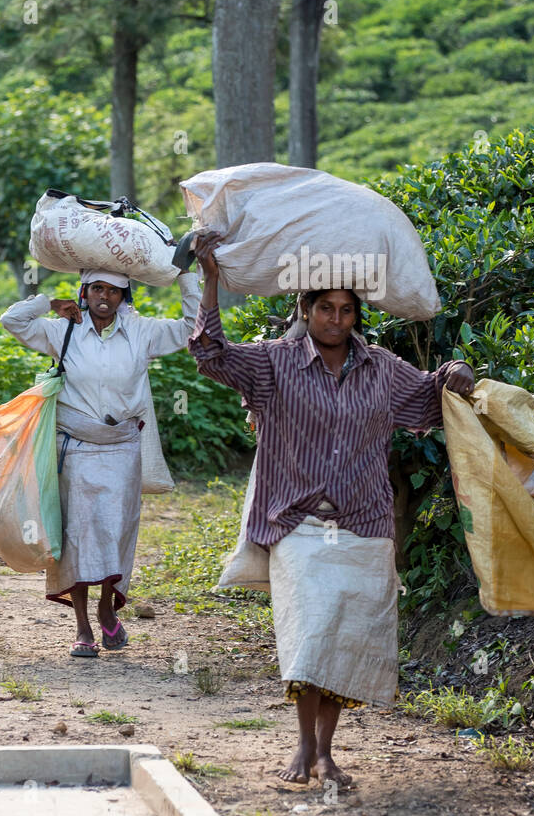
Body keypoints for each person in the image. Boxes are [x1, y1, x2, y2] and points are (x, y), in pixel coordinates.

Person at [188, 229, 475, 786]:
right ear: (307, 309)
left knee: (344, 637)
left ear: (356, 316)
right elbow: (212, 354)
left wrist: (456, 371)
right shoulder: (274, 365)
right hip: (298, 522)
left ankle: (325, 752)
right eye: (326, 309)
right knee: (313, 631)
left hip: (365, 523)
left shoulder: (383, 369)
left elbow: (429, 400)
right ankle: (301, 746)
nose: (336, 320)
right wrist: (211, 279)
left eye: (346, 310)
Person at [0, 266, 202, 658]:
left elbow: (193, 325)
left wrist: (185, 276)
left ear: (125, 296)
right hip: (75, 447)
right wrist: (48, 303)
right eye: (96, 289)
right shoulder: (62, 330)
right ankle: (82, 625)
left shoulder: (142, 332)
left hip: (123, 447)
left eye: (113, 290)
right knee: (76, 535)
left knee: (116, 531)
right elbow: (12, 320)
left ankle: (107, 606)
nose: (104, 297)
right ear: (84, 292)